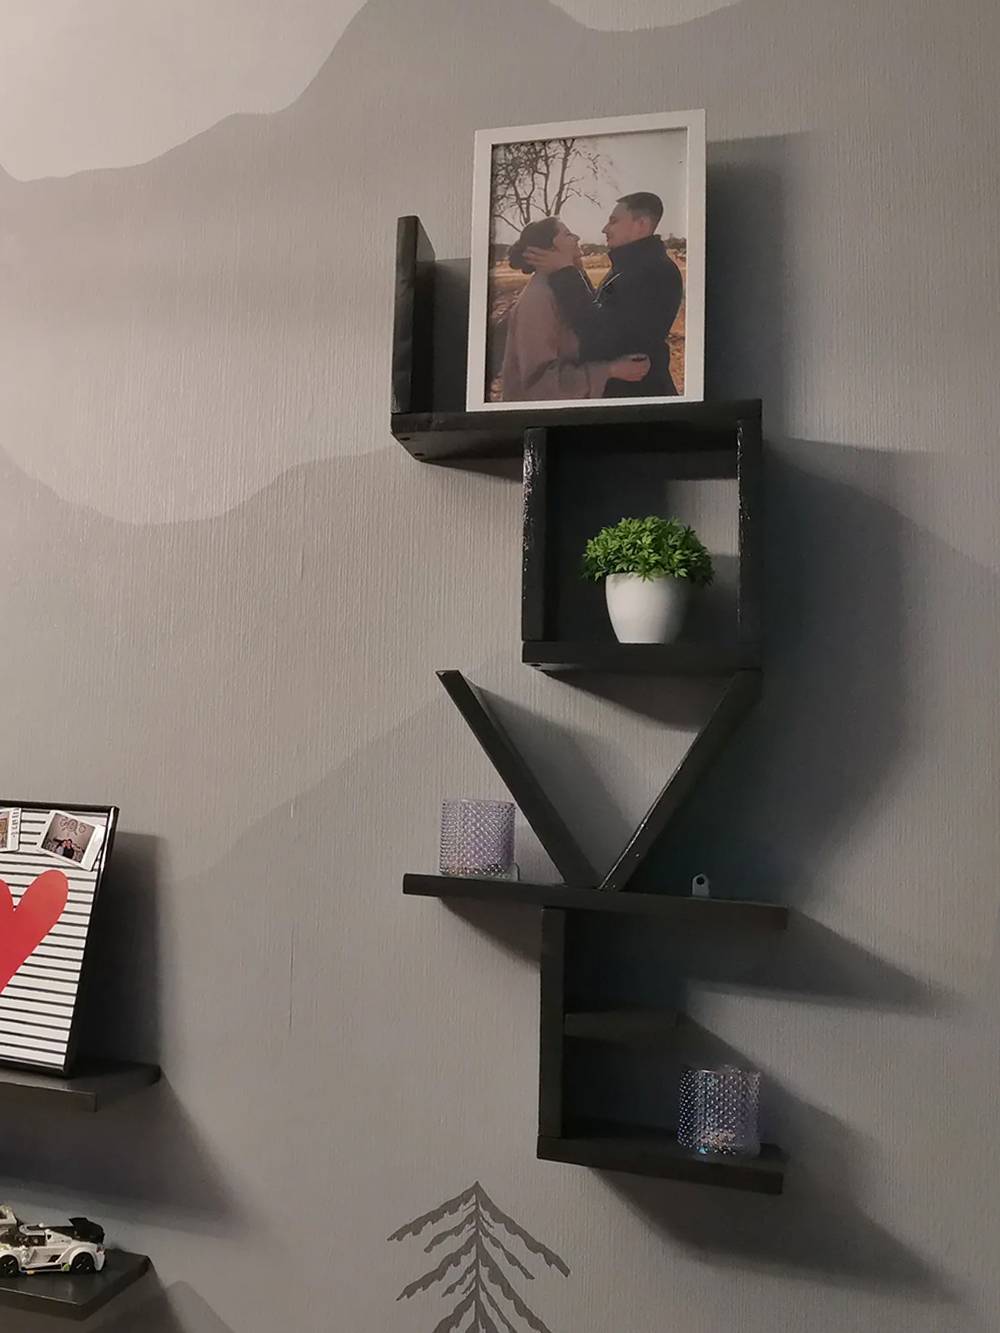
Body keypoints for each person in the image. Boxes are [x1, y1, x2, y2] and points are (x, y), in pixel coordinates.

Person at [525, 191, 683, 397]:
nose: (604, 228)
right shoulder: (630, 266)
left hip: (638, 399)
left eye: (613, 221)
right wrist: (576, 271)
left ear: (641, 225)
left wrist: (566, 273)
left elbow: (600, 337)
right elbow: (602, 312)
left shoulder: (655, 272)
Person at [498, 216, 650, 402]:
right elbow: (540, 385)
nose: (577, 237)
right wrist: (610, 370)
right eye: (568, 234)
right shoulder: (538, 298)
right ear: (551, 248)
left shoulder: (561, 285)